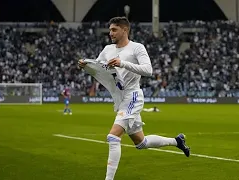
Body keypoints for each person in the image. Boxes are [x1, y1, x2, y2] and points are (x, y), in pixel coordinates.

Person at [77, 17, 190, 180]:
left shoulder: (137, 48)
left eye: (114, 30)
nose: (110, 33)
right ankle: (177, 141)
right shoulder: (108, 49)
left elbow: (148, 70)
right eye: (109, 30)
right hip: (120, 99)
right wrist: (85, 66)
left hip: (133, 96)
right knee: (141, 143)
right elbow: (99, 68)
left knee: (113, 137)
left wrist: (122, 63)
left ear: (125, 30)